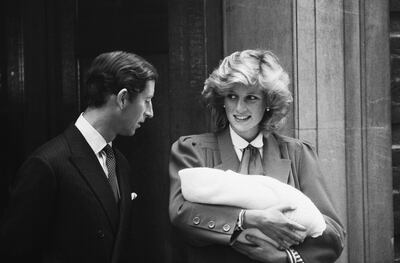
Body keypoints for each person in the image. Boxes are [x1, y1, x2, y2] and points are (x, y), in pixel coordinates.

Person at [169, 49, 345, 263]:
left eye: (251, 98)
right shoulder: (193, 149)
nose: (239, 108)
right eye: (232, 96)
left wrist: (285, 258)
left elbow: (333, 233)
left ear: (269, 102)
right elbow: (181, 214)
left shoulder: (298, 154)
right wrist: (249, 219)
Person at [0, 51, 158, 263]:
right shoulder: (47, 164)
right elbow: (15, 253)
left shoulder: (120, 163)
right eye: (147, 101)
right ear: (122, 99)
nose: (150, 112)